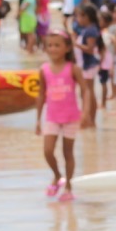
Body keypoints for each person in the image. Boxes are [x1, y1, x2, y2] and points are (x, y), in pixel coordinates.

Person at [35, 30, 83, 203]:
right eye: (49, 45)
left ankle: (69, 187)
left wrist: (85, 114)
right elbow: (41, 95)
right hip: (52, 117)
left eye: (57, 45)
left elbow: (87, 91)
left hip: (71, 117)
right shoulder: (44, 70)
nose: (52, 49)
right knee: (48, 151)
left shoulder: (73, 69)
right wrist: (38, 120)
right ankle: (57, 176)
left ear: (67, 48)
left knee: (67, 152)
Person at [73, 3, 103, 128]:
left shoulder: (90, 30)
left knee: (87, 93)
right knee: (86, 92)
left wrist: (75, 44)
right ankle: (89, 119)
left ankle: (90, 120)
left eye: (79, 16)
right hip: (86, 65)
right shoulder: (88, 29)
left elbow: (90, 49)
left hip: (88, 65)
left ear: (86, 17)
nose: (77, 19)